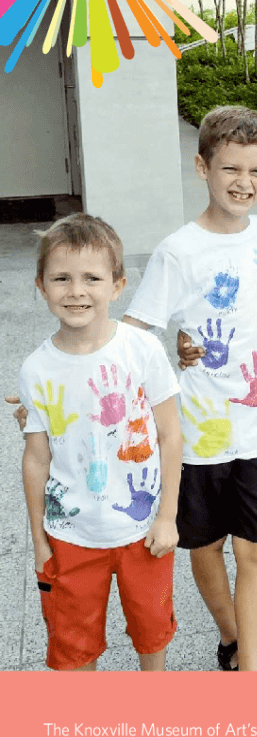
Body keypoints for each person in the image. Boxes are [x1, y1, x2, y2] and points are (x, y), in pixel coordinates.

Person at [124, 106, 257, 672]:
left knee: (256, 551)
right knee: (207, 545)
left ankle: (252, 673)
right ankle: (231, 635)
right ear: (202, 168)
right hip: (199, 433)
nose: (244, 182)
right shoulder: (179, 250)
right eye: (230, 169)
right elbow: (135, 332)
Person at [18, 214, 182, 671]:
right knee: (75, 647)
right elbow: (36, 459)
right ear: (41, 286)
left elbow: (169, 434)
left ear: (118, 285)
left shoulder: (142, 350)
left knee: (152, 632)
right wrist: (39, 540)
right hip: (69, 536)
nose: (76, 291)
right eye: (61, 278)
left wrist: (167, 517)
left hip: (143, 532)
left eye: (92, 278)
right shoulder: (36, 369)